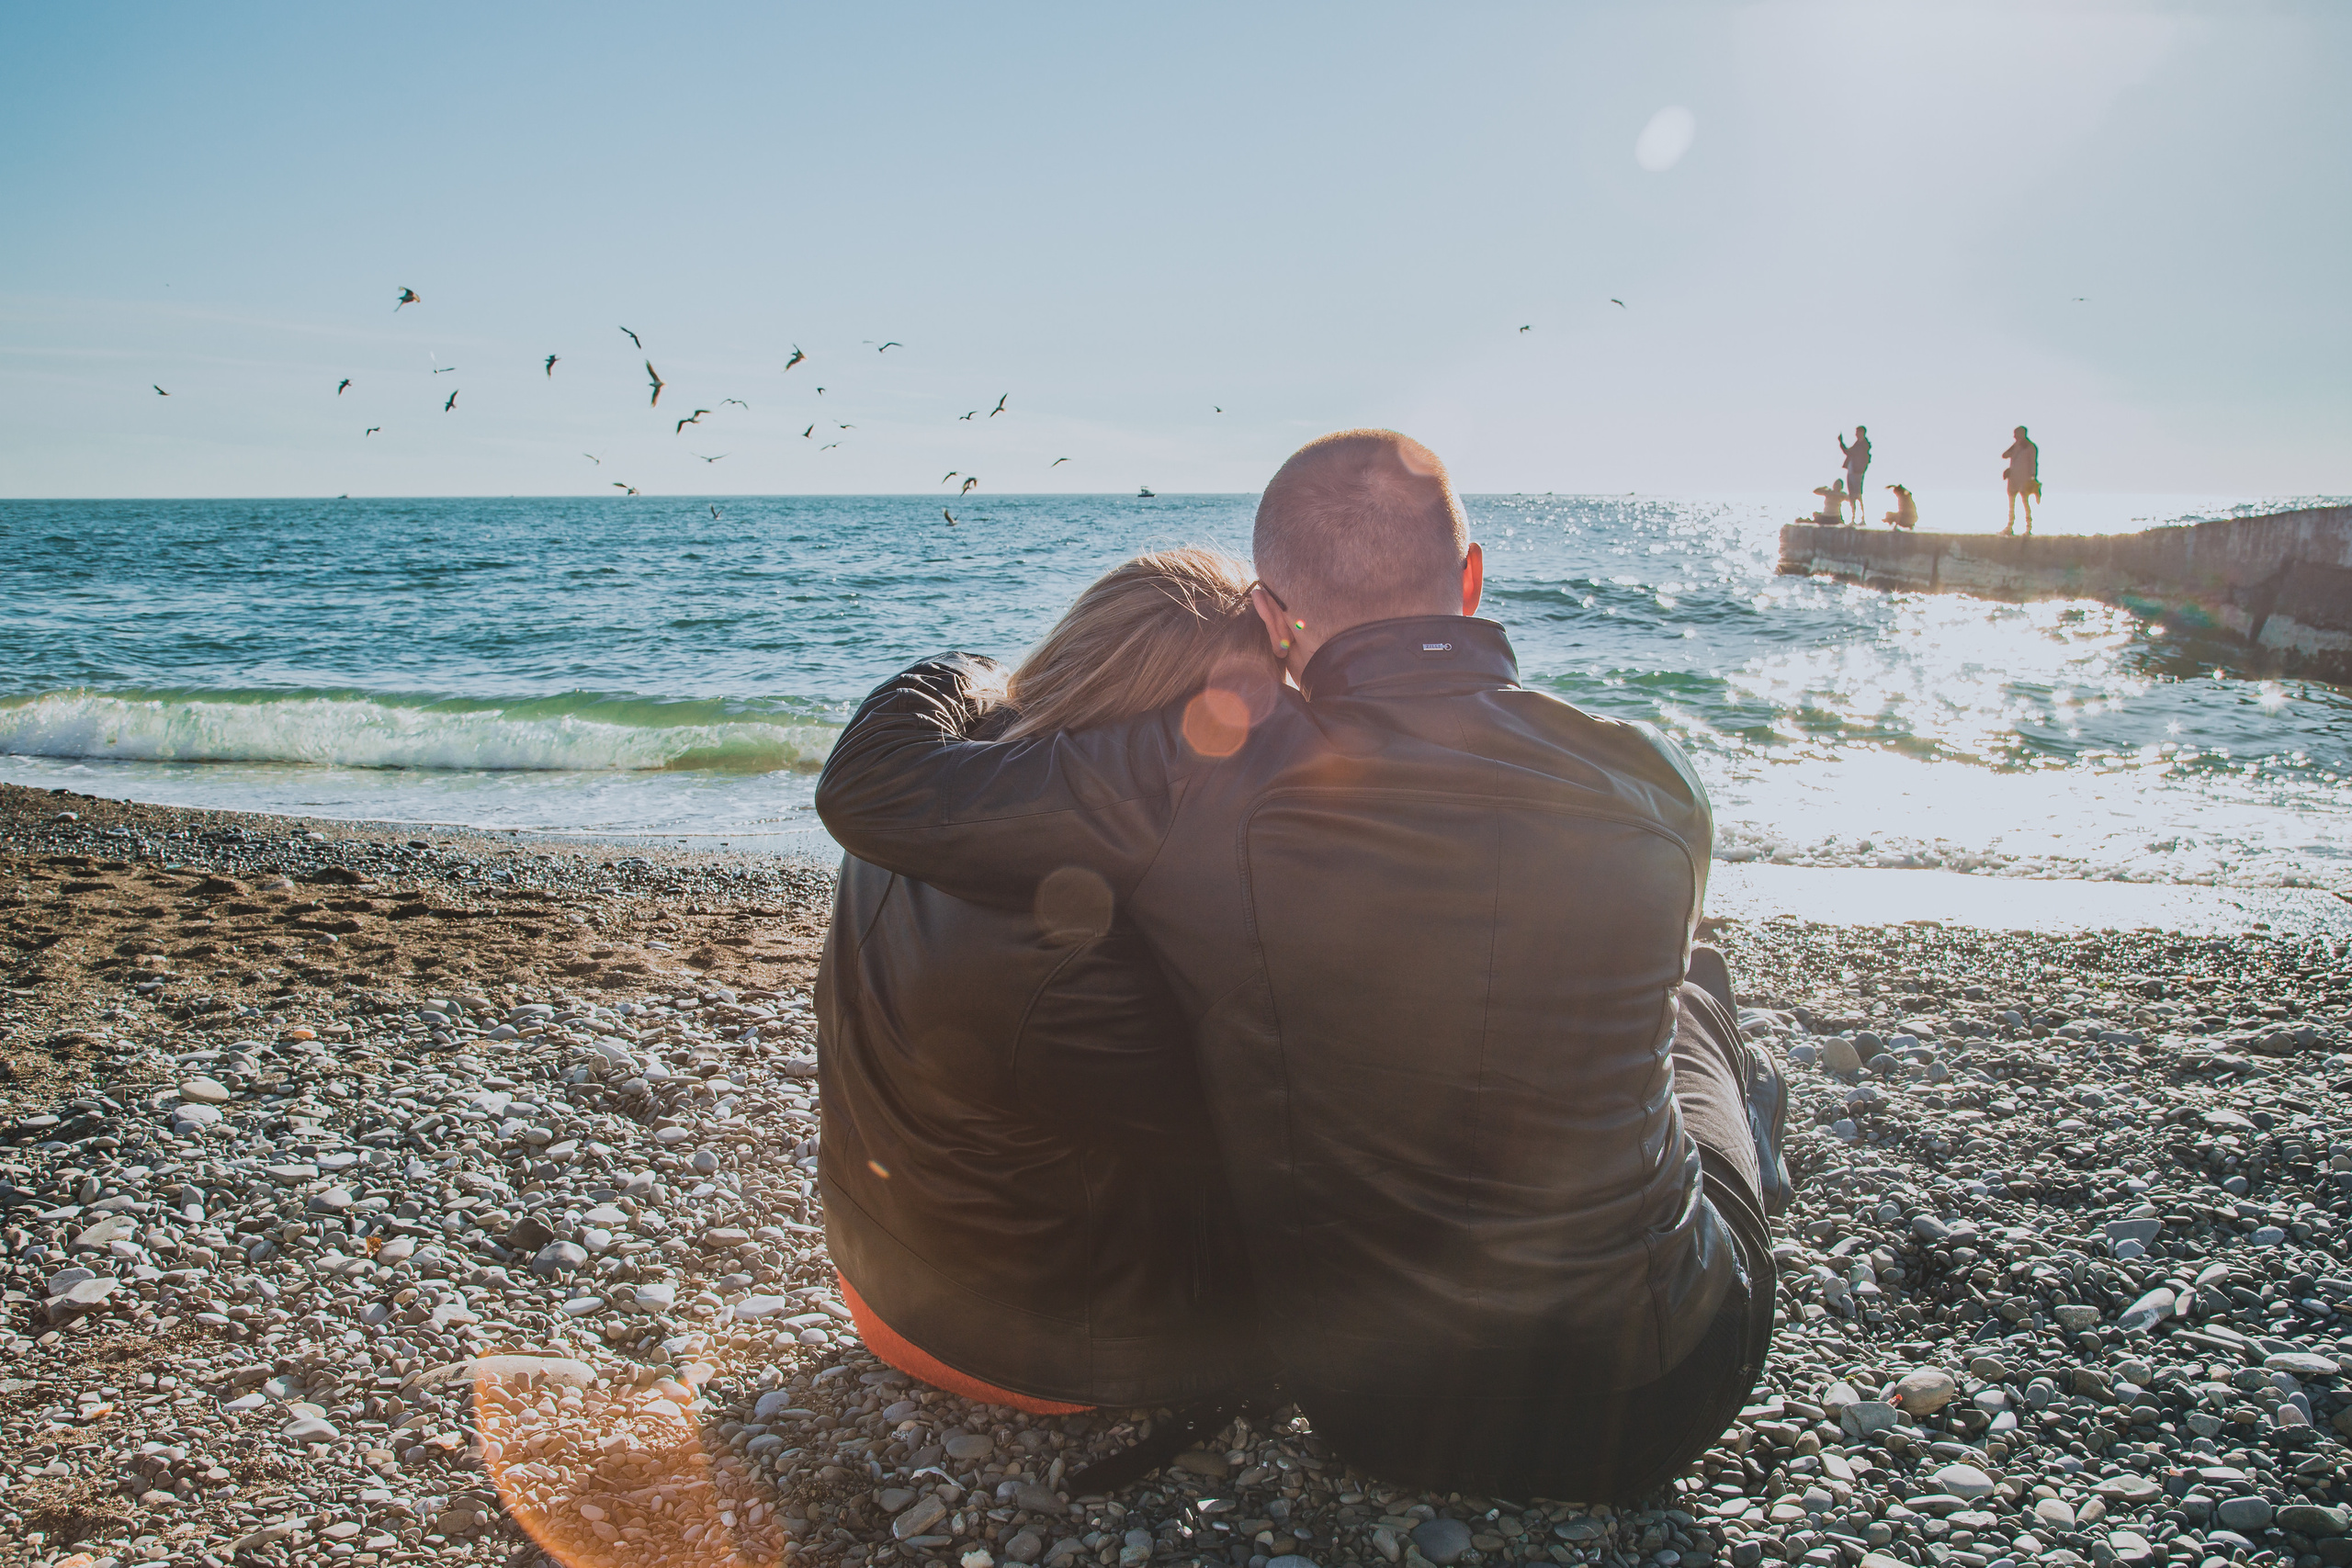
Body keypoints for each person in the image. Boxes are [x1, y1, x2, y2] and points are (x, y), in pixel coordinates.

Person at [818, 429, 1791, 1503]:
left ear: (1276, 619)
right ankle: (1754, 1133)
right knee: (1693, 984)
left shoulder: (1196, 783)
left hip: (1381, 1412)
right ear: (1471, 581)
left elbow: (878, 791)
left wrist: (980, 674)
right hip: (1665, 1397)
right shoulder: (1654, 778)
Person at [817, 548, 1274, 1414]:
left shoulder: (936, 794)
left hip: (877, 1282)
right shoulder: (1076, 948)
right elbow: (1237, 1155)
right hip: (1027, 1349)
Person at [2003, 425, 2041, 535]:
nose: (2014, 436)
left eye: (2016, 434)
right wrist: (2014, 446)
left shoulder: (2030, 447)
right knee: (2012, 502)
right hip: (2014, 477)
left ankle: (2029, 527)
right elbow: (2004, 455)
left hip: (2024, 478)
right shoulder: (2016, 447)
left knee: (2025, 501)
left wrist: (2033, 476)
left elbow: (2033, 462)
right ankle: (2010, 526)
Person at [1838, 424, 1871, 513]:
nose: (1856, 434)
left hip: (1857, 472)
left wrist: (1841, 443)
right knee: (1852, 494)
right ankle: (1854, 516)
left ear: (1862, 433)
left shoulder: (1863, 445)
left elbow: (1849, 452)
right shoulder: (1858, 444)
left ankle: (1861, 516)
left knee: (1857, 494)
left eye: (1857, 432)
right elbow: (1848, 452)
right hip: (1852, 470)